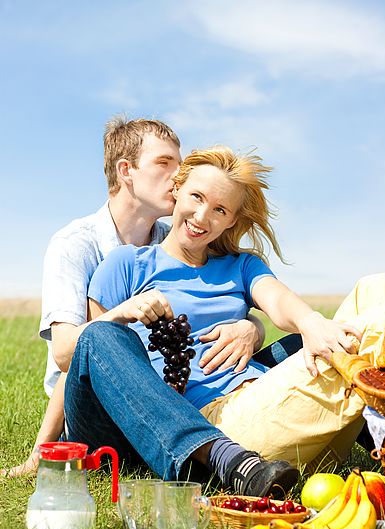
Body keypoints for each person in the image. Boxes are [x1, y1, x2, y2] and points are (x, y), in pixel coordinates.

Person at [61, 145, 384, 495]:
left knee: (375, 293)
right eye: (196, 197)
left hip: (249, 401)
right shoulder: (126, 263)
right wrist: (121, 313)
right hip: (155, 425)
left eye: (219, 209)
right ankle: (223, 457)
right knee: (103, 334)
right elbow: (82, 359)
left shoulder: (241, 266)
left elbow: (276, 300)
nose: (202, 216)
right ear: (177, 190)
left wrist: (307, 323)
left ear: (231, 219)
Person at [1, 117, 302, 478]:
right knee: (102, 336)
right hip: (99, 404)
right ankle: (223, 457)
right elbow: (70, 353)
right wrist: (41, 453)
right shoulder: (77, 245)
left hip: (181, 390)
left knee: (300, 344)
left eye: (181, 166)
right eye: (165, 163)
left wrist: (251, 327)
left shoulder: (180, 234)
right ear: (126, 171)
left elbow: (226, 289)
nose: (178, 177)